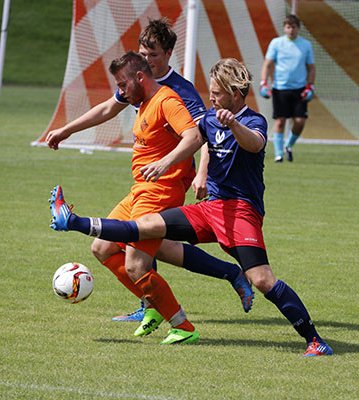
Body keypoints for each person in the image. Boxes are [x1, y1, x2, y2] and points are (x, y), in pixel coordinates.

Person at [50, 58, 333, 356]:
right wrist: (186, 169)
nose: (211, 97)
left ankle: (315, 340)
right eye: (211, 91)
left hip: (241, 212)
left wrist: (233, 124)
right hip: (210, 209)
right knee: (143, 228)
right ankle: (74, 221)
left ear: (236, 94)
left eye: (218, 93)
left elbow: (255, 145)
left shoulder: (253, 121)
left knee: (262, 280)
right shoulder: (210, 118)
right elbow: (198, 140)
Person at [46, 19, 253, 324]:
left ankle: (170, 315)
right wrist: (67, 130)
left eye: (153, 53)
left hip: (169, 180)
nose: (147, 58)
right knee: (143, 247)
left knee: (137, 251)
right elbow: (106, 108)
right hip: (146, 181)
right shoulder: (137, 84)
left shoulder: (179, 92)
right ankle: (181, 291)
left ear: (169, 53)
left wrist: (202, 173)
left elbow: (203, 133)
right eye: (143, 52)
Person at [260, 14, 315, 163]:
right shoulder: (276, 43)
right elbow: (267, 64)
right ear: (284, 28)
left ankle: (288, 145)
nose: (291, 30)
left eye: (294, 27)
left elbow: (311, 68)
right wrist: (263, 83)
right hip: (280, 89)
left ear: (298, 28)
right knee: (280, 121)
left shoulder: (306, 45)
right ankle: (279, 154)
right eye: (288, 27)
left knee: (300, 121)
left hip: (299, 89)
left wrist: (310, 86)